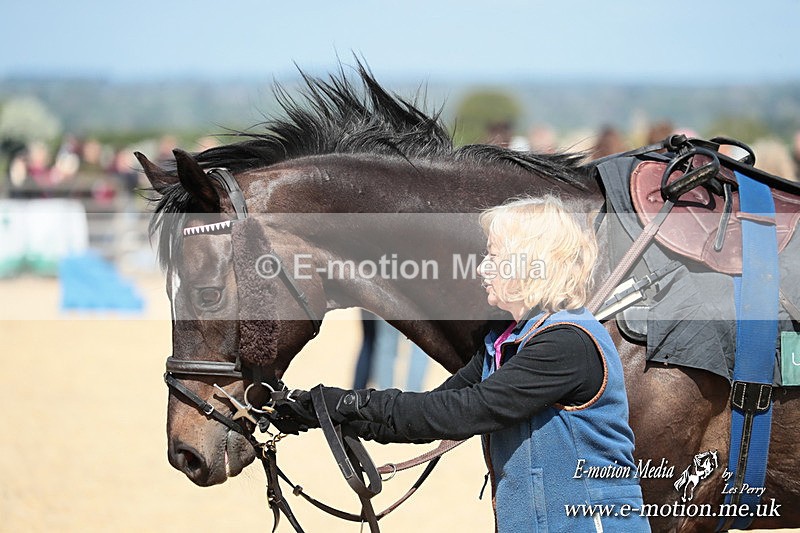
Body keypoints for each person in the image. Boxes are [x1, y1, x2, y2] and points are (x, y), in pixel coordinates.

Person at [271, 196, 649, 532]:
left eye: (494, 257)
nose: (483, 268)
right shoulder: (503, 342)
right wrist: (317, 411)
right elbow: (425, 417)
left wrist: (347, 402)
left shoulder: (566, 344)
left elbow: (461, 413)